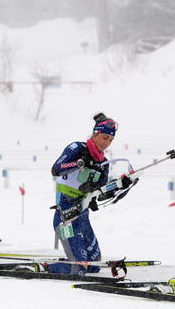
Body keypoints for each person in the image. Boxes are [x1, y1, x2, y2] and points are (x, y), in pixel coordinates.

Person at [48, 113, 134, 275]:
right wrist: (80, 163)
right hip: (66, 217)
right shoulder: (77, 148)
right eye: (105, 138)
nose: (107, 143)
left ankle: (69, 260)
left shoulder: (104, 163)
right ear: (95, 134)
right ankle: (45, 268)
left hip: (82, 218)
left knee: (94, 265)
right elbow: (56, 169)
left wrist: (121, 186)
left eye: (111, 140)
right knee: (79, 269)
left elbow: (101, 194)